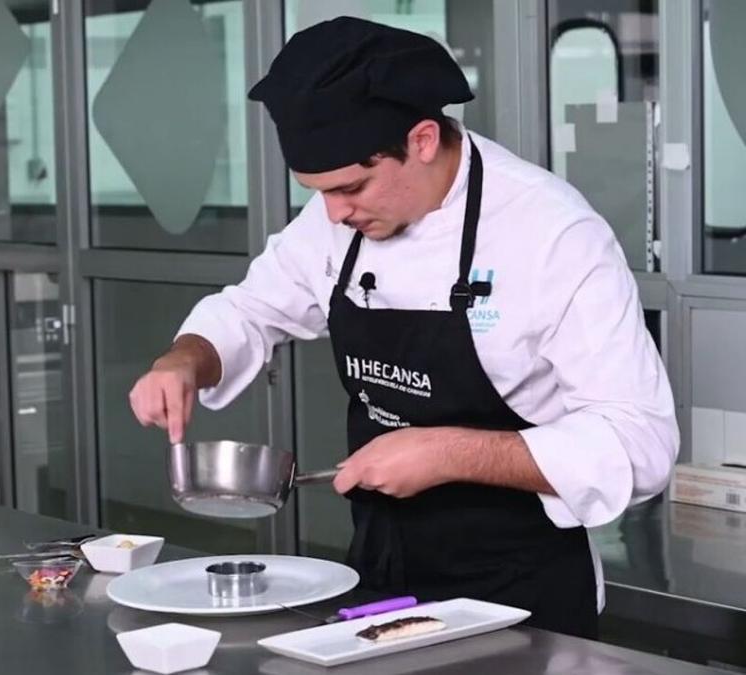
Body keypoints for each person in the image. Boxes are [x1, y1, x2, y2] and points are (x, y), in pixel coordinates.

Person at [127, 17, 678, 639]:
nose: (334, 212)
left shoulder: (553, 234)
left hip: (520, 592)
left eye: (350, 188)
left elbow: (642, 443)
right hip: (379, 574)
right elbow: (253, 307)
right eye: (318, 193)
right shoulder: (339, 215)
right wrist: (186, 359)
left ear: (421, 139)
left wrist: (448, 452)